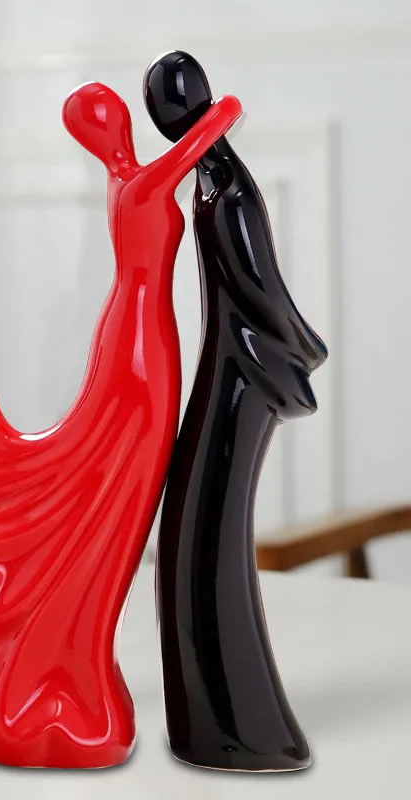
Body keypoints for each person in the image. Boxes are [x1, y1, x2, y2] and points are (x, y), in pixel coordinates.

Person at [144, 50, 327, 772]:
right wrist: (298, 338)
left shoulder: (216, 184)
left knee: (207, 513)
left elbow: (251, 281)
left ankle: (225, 720)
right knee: (207, 514)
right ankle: (232, 724)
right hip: (242, 358)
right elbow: (254, 281)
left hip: (237, 358)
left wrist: (289, 337)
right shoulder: (222, 189)